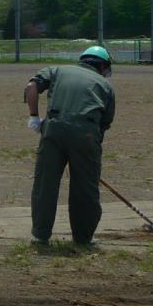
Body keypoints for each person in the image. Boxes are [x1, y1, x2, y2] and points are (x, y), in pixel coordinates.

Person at [25, 45, 116, 246]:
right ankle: (83, 239)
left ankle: (40, 236)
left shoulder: (57, 70)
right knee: (84, 189)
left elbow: (31, 86)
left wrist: (34, 117)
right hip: (86, 133)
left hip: (53, 129)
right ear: (102, 66)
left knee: (45, 184)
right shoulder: (105, 85)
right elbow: (104, 124)